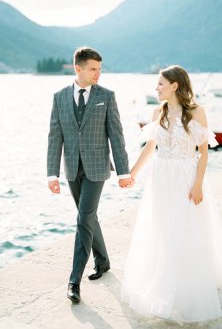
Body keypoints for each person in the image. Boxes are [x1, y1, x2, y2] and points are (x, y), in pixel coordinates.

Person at [122, 65, 222, 323]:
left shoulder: (196, 112)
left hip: (186, 178)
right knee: (164, 230)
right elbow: (150, 148)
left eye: (160, 84)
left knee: (186, 229)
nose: (156, 88)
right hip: (161, 179)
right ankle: (165, 288)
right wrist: (132, 173)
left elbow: (203, 152)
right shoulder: (158, 112)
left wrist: (198, 184)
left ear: (175, 85)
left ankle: (188, 289)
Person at [47, 46, 133, 303]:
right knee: (89, 216)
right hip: (72, 168)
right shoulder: (59, 97)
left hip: (97, 168)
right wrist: (51, 174)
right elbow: (55, 137)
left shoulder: (106, 96)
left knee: (83, 218)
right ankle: (103, 261)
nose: (98, 73)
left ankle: (74, 281)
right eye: (93, 69)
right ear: (78, 68)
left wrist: (123, 171)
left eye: (99, 68)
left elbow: (116, 135)